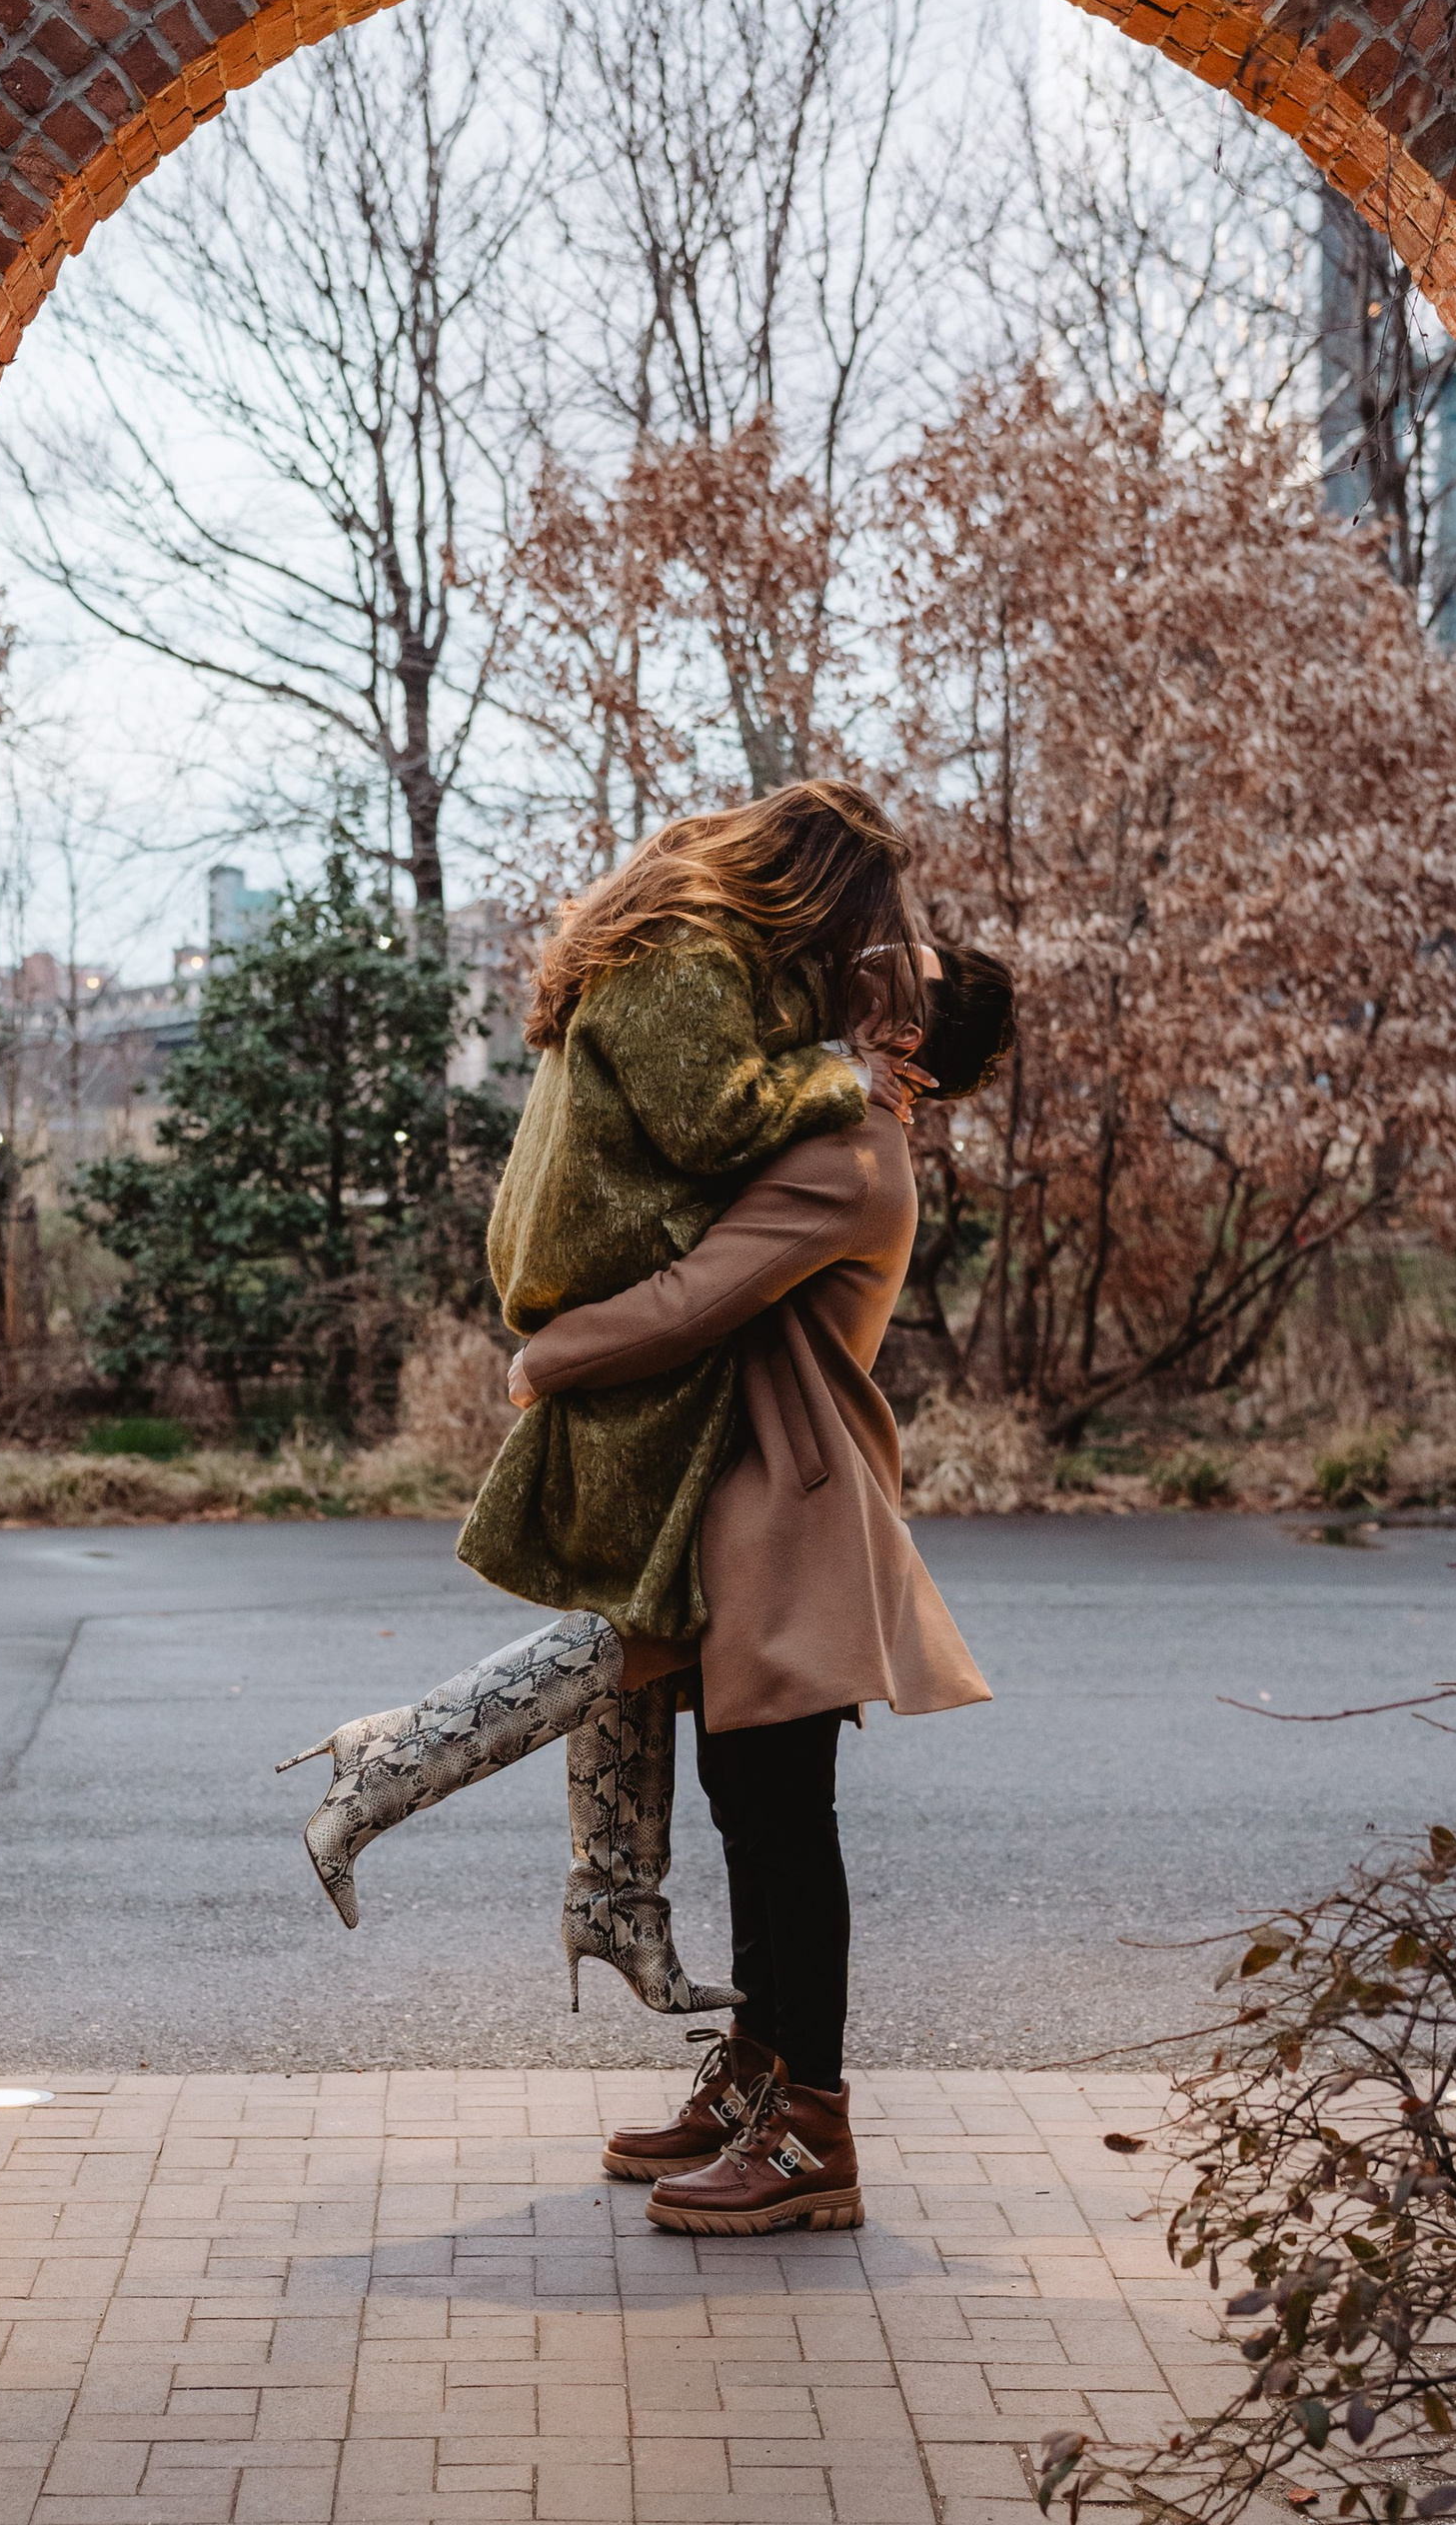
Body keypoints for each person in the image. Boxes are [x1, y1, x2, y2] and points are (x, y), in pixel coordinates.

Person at [284, 782, 921, 2011]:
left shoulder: (694, 951)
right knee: (634, 1631)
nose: (844, 977)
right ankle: (408, 1768)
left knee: (634, 1626)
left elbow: (712, 1203)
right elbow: (716, 1120)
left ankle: (607, 1893)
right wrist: (842, 1071)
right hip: (617, 1278)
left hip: (643, 1313)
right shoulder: (694, 956)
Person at [508, 944, 1017, 2237]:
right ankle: (758, 2081)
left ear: (908, 1040)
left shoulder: (848, 1160)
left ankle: (813, 2135)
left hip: (791, 1531)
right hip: (751, 1517)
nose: (865, 961)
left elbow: (695, 1297)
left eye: (895, 971)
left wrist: (548, 1357)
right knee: (754, 1811)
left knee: (787, 1824)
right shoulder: (830, 1127)